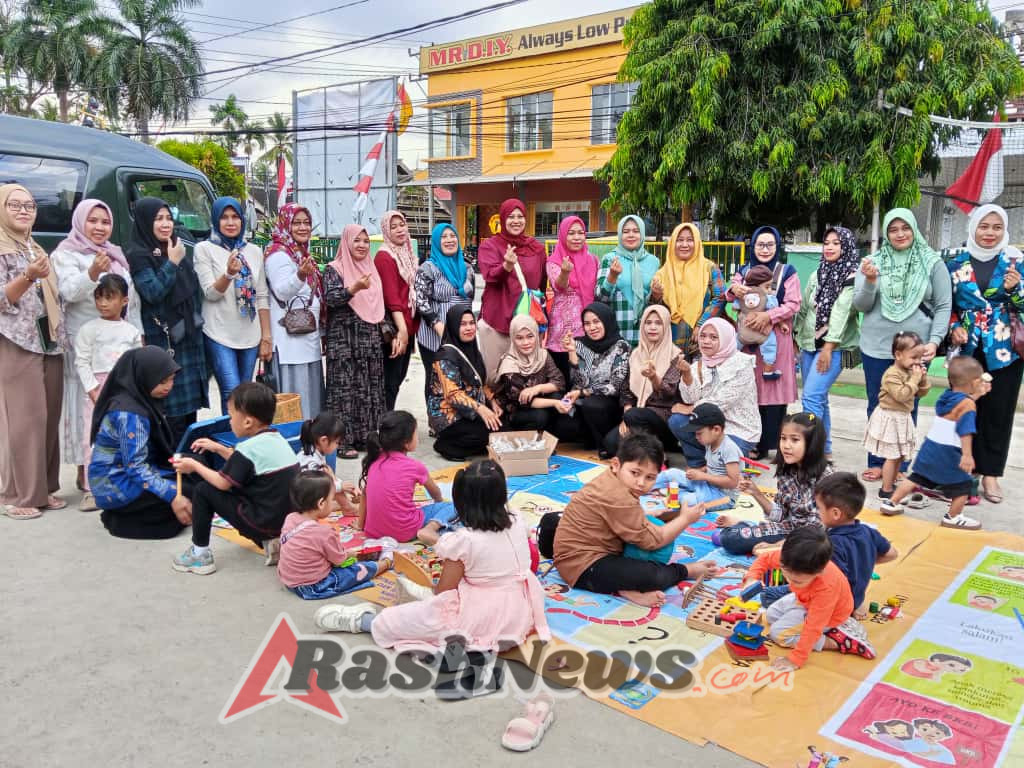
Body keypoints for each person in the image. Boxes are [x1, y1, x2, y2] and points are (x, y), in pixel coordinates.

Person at [314, 459, 551, 658]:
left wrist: (431, 582)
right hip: (521, 611)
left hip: (485, 618)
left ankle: (364, 622)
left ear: (462, 503)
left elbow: (444, 591)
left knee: (408, 619)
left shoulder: (463, 541)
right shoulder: (518, 520)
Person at [553, 433, 719, 607]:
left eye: (650, 477)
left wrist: (649, 516)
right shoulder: (618, 498)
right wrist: (685, 519)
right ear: (616, 464)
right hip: (582, 567)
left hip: (577, 553)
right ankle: (684, 571)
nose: (641, 483)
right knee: (653, 576)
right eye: (635, 473)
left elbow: (621, 516)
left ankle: (623, 587)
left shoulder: (612, 480)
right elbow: (655, 541)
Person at [52, 197, 142, 495]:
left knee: (116, 408)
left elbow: (132, 301)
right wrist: (91, 273)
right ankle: (85, 474)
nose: (99, 227)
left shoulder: (114, 255)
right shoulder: (66, 254)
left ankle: (111, 468)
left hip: (118, 346)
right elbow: (67, 292)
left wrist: (137, 338)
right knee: (85, 409)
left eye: (105, 222)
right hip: (85, 345)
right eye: (93, 221)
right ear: (80, 222)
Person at [854, 208, 952, 481]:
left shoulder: (932, 262)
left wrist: (934, 341)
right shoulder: (872, 262)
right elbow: (860, 304)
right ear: (886, 233)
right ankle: (876, 461)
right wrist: (871, 281)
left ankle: (900, 465)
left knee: (908, 403)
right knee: (879, 404)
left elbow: (944, 305)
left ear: (914, 229)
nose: (900, 234)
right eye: (893, 229)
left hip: (916, 348)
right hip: (876, 344)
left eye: (905, 228)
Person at [171, 382, 300, 574]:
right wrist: (219, 448)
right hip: (286, 522)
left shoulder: (247, 449)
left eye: (231, 416)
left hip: (261, 523)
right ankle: (274, 541)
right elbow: (248, 465)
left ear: (247, 422)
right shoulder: (276, 439)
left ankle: (200, 555)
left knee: (203, 490)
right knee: (241, 482)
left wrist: (195, 466)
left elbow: (222, 483)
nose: (230, 421)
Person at [946, 203, 1024, 504]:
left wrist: (1016, 290)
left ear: (1004, 231)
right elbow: (947, 305)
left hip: (1005, 351)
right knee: (963, 410)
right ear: (973, 228)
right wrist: (955, 327)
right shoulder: (956, 263)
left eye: (996, 227)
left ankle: (990, 474)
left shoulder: (1015, 262)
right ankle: (963, 471)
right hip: (968, 352)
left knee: (997, 413)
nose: (989, 233)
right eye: (984, 226)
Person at [0, 183, 66, 520]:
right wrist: (28, 276)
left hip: (48, 341)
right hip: (15, 340)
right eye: (15, 205)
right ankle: (16, 495)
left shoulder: (33, 246)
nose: (24, 211)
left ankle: (43, 489)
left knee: (48, 416)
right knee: (25, 420)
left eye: (29, 205)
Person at [126, 196, 207, 445]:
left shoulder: (175, 247)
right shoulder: (139, 255)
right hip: (163, 343)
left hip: (187, 340)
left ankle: (186, 467)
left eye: (168, 218)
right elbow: (152, 291)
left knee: (188, 416)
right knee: (168, 413)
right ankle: (171, 469)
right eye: (158, 219)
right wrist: (171, 263)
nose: (165, 224)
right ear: (144, 222)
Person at [88, 346, 191, 538]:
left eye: (171, 380)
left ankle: (126, 515)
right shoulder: (129, 414)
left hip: (127, 475)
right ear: (144, 377)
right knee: (185, 495)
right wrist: (173, 496)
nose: (168, 386)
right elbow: (135, 466)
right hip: (116, 484)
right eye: (162, 381)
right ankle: (118, 518)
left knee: (193, 477)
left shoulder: (138, 399)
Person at [741, 526, 875, 672]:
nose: (790, 582)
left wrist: (796, 659)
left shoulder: (826, 588)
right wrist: (751, 578)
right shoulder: (790, 558)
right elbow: (765, 559)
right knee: (771, 614)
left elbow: (813, 626)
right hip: (804, 599)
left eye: (797, 581)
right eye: (787, 576)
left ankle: (838, 640)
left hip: (830, 614)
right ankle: (822, 624)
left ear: (819, 572)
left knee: (778, 634)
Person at [880, 356, 989, 530]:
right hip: (950, 452)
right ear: (975, 381)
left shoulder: (946, 397)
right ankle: (953, 517)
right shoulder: (968, 405)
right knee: (964, 485)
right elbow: (965, 430)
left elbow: (959, 406)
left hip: (930, 447)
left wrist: (976, 394)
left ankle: (891, 503)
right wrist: (967, 456)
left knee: (917, 477)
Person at [726, 225, 802, 459]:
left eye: (770, 245)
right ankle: (753, 442)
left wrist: (768, 315)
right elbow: (729, 296)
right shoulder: (744, 270)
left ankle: (775, 442)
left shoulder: (787, 271)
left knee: (775, 393)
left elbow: (794, 304)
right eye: (760, 244)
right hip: (749, 340)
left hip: (776, 341)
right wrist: (734, 289)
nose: (765, 249)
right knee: (751, 391)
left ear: (777, 246)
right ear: (753, 246)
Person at [194, 196, 272, 413]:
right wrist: (228, 274)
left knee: (246, 393)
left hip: (249, 335)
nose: (230, 222)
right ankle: (230, 442)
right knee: (230, 392)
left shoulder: (254, 251)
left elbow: (262, 296)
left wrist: (266, 337)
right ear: (215, 220)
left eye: (235, 217)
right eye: (224, 217)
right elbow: (210, 293)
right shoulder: (204, 249)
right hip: (219, 333)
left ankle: (242, 442)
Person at [715, 412, 832, 555]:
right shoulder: (788, 471)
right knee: (728, 537)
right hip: (786, 530)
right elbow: (780, 515)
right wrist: (755, 492)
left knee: (731, 538)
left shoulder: (825, 479)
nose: (786, 446)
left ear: (812, 444)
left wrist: (777, 546)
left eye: (794, 440)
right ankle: (746, 526)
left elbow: (817, 530)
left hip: (810, 541)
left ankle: (750, 529)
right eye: (783, 439)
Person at [74, 274, 142, 510]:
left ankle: (120, 484)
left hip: (124, 392)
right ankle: (92, 490)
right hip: (96, 389)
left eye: (109, 298)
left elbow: (137, 364)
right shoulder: (88, 329)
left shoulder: (131, 331)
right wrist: (93, 388)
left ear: (124, 301)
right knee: (92, 439)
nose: (103, 303)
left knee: (124, 437)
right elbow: (81, 361)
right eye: (99, 298)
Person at [795, 226, 861, 461]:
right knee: (819, 398)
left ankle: (810, 451)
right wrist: (793, 334)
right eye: (827, 242)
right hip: (809, 344)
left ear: (847, 247)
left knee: (811, 397)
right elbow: (804, 306)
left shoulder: (853, 275)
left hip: (836, 347)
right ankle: (825, 449)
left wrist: (829, 346)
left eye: (836, 243)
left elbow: (843, 311)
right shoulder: (818, 273)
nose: (830, 247)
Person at [278, 470, 392, 600]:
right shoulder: (324, 533)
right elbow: (339, 560)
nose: (333, 504)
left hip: (288, 579)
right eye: (332, 500)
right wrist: (349, 553)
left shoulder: (290, 518)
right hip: (312, 586)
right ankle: (386, 563)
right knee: (358, 570)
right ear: (321, 504)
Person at [323, 224, 386, 457]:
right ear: (347, 242)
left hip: (369, 339)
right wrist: (354, 288)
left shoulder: (371, 269)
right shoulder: (334, 269)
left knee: (367, 388)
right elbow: (330, 298)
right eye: (356, 241)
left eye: (365, 241)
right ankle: (342, 441)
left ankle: (365, 438)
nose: (361, 246)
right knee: (344, 391)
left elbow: (379, 305)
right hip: (344, 340)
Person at [669, 317, 761, 466]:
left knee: (726, 469)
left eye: (713, 337)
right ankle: (699, 463)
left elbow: (723, 400)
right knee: (677, 421)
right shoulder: (699, 364)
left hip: (737, 429)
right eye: (703, 336)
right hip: (708, 425)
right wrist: (686, 375)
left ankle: (732, 461)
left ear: (725, 339)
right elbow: (690, 397)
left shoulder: (742, 364)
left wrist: (690, 409)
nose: (706, 341)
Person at [264, 203, 324, 420]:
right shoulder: (278, 254)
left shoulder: (300, 253)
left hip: (307, 340)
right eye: (296, 223)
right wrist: (299, 275)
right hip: (290, 343)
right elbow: (281, 292)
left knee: (311, 401)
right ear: (285, 225)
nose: (302, 227)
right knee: (295, 402)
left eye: (306, 223)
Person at [476, 199, 547, 378]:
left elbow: (543, 284)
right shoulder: (490, 246)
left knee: (527, 376)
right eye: (511, 216)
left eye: (520, 216)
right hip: (497, 321)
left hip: (527, 322)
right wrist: (506, 265)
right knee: (496, 377)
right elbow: (490, 276)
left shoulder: (536, 248)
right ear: (503, 218)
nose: (516, 221)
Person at [359, 410, 450, 544]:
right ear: (407, 443)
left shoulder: (374, 461)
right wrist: (439, 504)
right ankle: (429, 529)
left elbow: (365, 494)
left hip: (374, 532)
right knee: (452, 507)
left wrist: (360, 524)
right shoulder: (415, 467)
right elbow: (435, 492)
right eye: (416, 434)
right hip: (405, 532)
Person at [815, 472, 898, 619]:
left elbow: (834, 584)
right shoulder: (868, 531)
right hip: (856, 598)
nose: (817, 512)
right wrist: (865, 560)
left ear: (835, 513)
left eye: (819, 508)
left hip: (837, 605)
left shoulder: (832, 544)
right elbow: (892, 553)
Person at [428, 305, 503, 461]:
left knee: (501, 426)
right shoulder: (445, 355)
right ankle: (445, 446)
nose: (469, 328)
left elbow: (480, 382)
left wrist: (492, 402)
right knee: (483, 436)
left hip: (471, 408)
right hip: (449, 415)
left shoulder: (474, 350)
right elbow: (453, 395)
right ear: (454, 326)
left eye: (471, 323)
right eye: (463, 324)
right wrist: (482, 409)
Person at [607, 304, 683, 456]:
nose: (652, 327)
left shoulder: (676, 356)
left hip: (663, 416)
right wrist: (626, 416)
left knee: (636, 418)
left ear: (666, 326)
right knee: (610, 444)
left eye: (658, 323)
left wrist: (654, 377)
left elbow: (668, 393)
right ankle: (647, 450)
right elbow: (626, 389)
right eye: (648, 323)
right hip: (636, 414)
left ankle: (657, 453)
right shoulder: (636, 354)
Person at [863, 332, 931, 501]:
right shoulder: (892, 374)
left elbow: (920, 393)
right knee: (892, 456)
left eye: (920, 357)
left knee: (899, 455)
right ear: (898, 355)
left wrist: (922, 379)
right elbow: (901, 395)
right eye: (913, 357)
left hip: (902, 417)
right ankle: (886, 490)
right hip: (890, 418)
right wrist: (914, 380)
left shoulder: (910, 372)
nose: (917, 361)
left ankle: (891, 482)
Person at [414, 223, 476, 404]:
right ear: (436, 242)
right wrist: (439, 326)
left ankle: (459, 414)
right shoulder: (428, 268)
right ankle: (437, 420)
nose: (449, 240)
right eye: (444, 237)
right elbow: (421, 302)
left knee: (461, 374)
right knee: (436, 377)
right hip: (435, 333)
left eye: (452, 236)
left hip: (462, 331)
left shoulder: (467, 268)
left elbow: (470, 300)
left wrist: (468, 326)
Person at [561, 302, 630, 456]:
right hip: (584, 399)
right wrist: (572, 353)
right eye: (587, 323)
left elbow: (615, 386)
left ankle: (605, 445)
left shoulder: (621, 346)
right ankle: (591, 439)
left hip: (609, 402)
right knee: (562, 422)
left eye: (596, 321)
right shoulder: (580, 344)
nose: (592, 327)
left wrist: (584, 392)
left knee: (593, 405)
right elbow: (578, 383)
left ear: (607, 321)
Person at [649, 222, 726, 356]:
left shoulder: (709, 268)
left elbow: (720, 297)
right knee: (671, 375)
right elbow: (656, 310)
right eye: (679, 240)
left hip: (703, 340)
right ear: (673, 243)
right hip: (670, 341)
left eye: (690, 240)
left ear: (697, 242)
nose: (684, 245)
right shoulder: (663, 273)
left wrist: (701, 324)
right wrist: (656, 296)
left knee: (699, 375)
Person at [545, 215, 598, 383]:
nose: (577, 237)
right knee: (564, 378)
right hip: (563, 330)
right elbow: (559, 286)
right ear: (562, 235)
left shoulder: (592, 260)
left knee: (584, 376)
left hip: (586, 327)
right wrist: (565, 272)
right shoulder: (554, 261)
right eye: (571, 233)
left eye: (580, 233)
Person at [375, 210, 420, 410]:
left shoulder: (407, 254)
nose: (400, 230)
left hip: (407, 327)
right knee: (390, 382)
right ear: (386, 231)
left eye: (401, 224)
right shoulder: (385, 257)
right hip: (395, 329)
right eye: (393, 227)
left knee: (398, 379)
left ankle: (386, 423)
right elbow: (392, 297)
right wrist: (401, 331)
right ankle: (385, 427)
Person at [492, 315, 566, 432]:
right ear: (512, 338)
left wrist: (537, 388)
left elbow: (559, 382)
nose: (526, 342)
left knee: (558, 396)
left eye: (530, 336)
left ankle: (549, 434)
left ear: (536, 335)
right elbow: (522, 401)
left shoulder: (542, 355)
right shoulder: (509, 364)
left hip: (537, 400)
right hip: (516, 409)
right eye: (519, 338)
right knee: (540, 417)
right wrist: (555, 403)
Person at [596, 215, 660, 345]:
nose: (631, 235)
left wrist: (657, 295)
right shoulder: (610, 258)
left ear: (642, 234)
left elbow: (656, 303)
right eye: (626, 232)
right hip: (617, 330)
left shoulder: (653, 262)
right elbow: (600, 297)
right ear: (620, 235)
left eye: (636, 231)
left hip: (646, 331)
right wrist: (612, 277)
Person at [676, 403, 742, 501]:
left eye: (699, 433)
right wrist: (700, 471)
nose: (696, 437)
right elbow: (715, 467)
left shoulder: (729, 448)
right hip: (710, 487)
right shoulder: (710, 444)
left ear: (716, 430)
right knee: (673, 475)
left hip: (724, 496)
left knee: (684, 499)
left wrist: (703, 476)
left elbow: (733, 482)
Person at [297, 412, 358, 515]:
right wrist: (340, 486)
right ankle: (347, 507)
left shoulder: (316, 452)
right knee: (333, 483)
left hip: (309, 495)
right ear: (324, 440)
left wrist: (344, 485)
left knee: (330, 475)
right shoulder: (310, 461)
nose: (337, 446)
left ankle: (344, 505)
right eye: (337, 442)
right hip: (303, 502)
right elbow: (316, 485)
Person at [733, 265, 781, 378]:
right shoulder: (768, 299)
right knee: (770, 346)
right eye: (767, 286)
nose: (769, 290)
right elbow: (775, 309)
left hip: (743, 333)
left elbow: (735, 306)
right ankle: (768, 370)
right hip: (762, 334)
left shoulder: (742, 296)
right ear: (756, 286)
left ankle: (731, 366)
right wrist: (781, 323)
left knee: (734, 347)